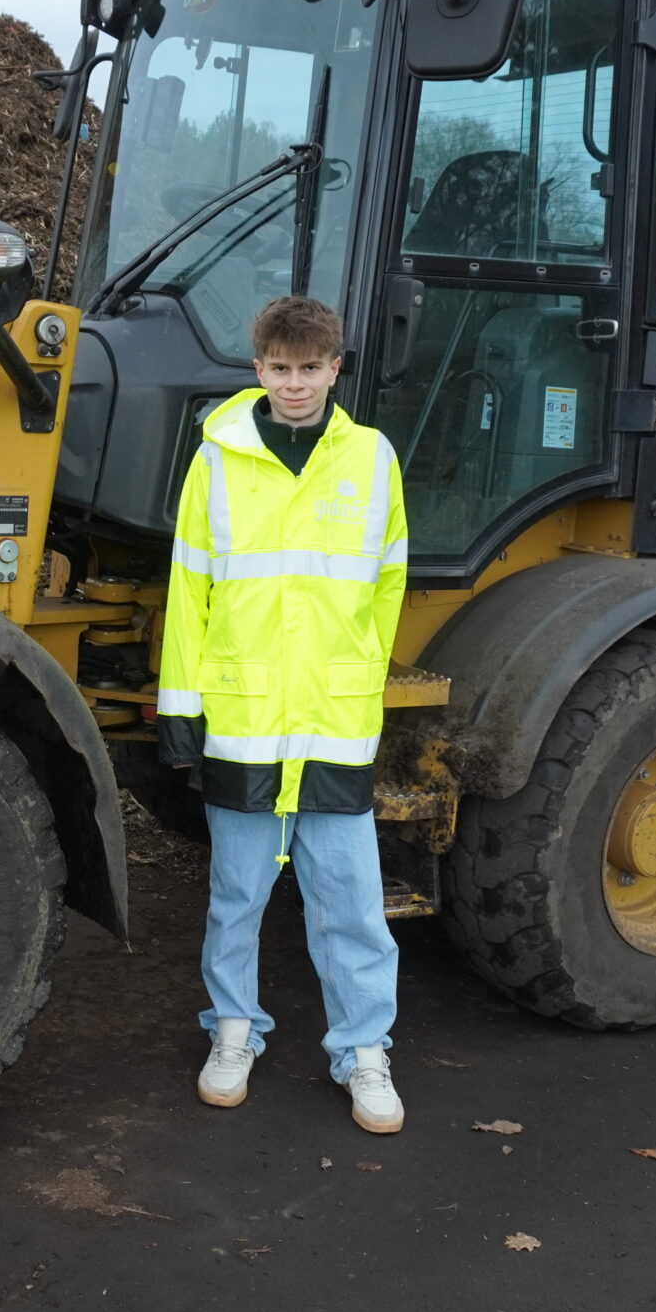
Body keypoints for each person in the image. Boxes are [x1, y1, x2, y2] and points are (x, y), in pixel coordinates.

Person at [156, 294, 411, 1133]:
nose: (295, 384)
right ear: (257, 368)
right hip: (243, 719)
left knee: (352, 902)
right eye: (280, 368)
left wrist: (358, 682)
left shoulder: (373, 461)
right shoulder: (217, 461)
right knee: (236, 895)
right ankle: (234, 1033)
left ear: (335, 368)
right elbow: (189, 591)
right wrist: (180, 702)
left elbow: (385, 592)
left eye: (311, 368)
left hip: (333, 722)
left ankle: (364, 1051)